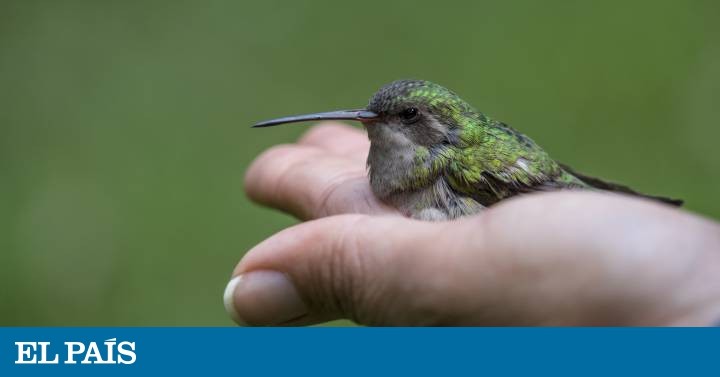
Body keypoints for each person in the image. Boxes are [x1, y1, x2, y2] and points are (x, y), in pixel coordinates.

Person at [224, 123, 720, 326]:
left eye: (405, 116)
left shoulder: (457, 163)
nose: (376, 124)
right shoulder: (399, 157)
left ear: (431, 124)